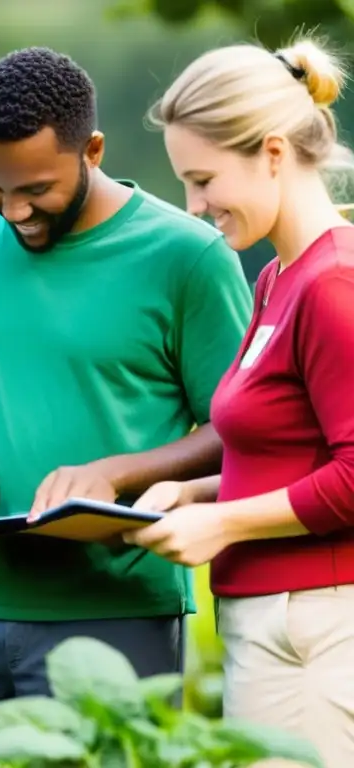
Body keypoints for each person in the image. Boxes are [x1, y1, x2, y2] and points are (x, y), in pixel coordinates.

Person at [0, 47, 254, 706]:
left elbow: (237, 430)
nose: (12, 212)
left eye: (36, 190)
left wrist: (118, 473)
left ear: (92, 150)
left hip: (116, 615)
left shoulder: (187, 257)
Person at [124, 39, 354, 767]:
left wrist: (220, 522)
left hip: (321, 630)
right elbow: (291, 458)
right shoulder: (276, 281)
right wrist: (192, 492)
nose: (195, 206)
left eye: (203, 179)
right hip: (274, 628)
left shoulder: (332, 284)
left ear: (275, 153)